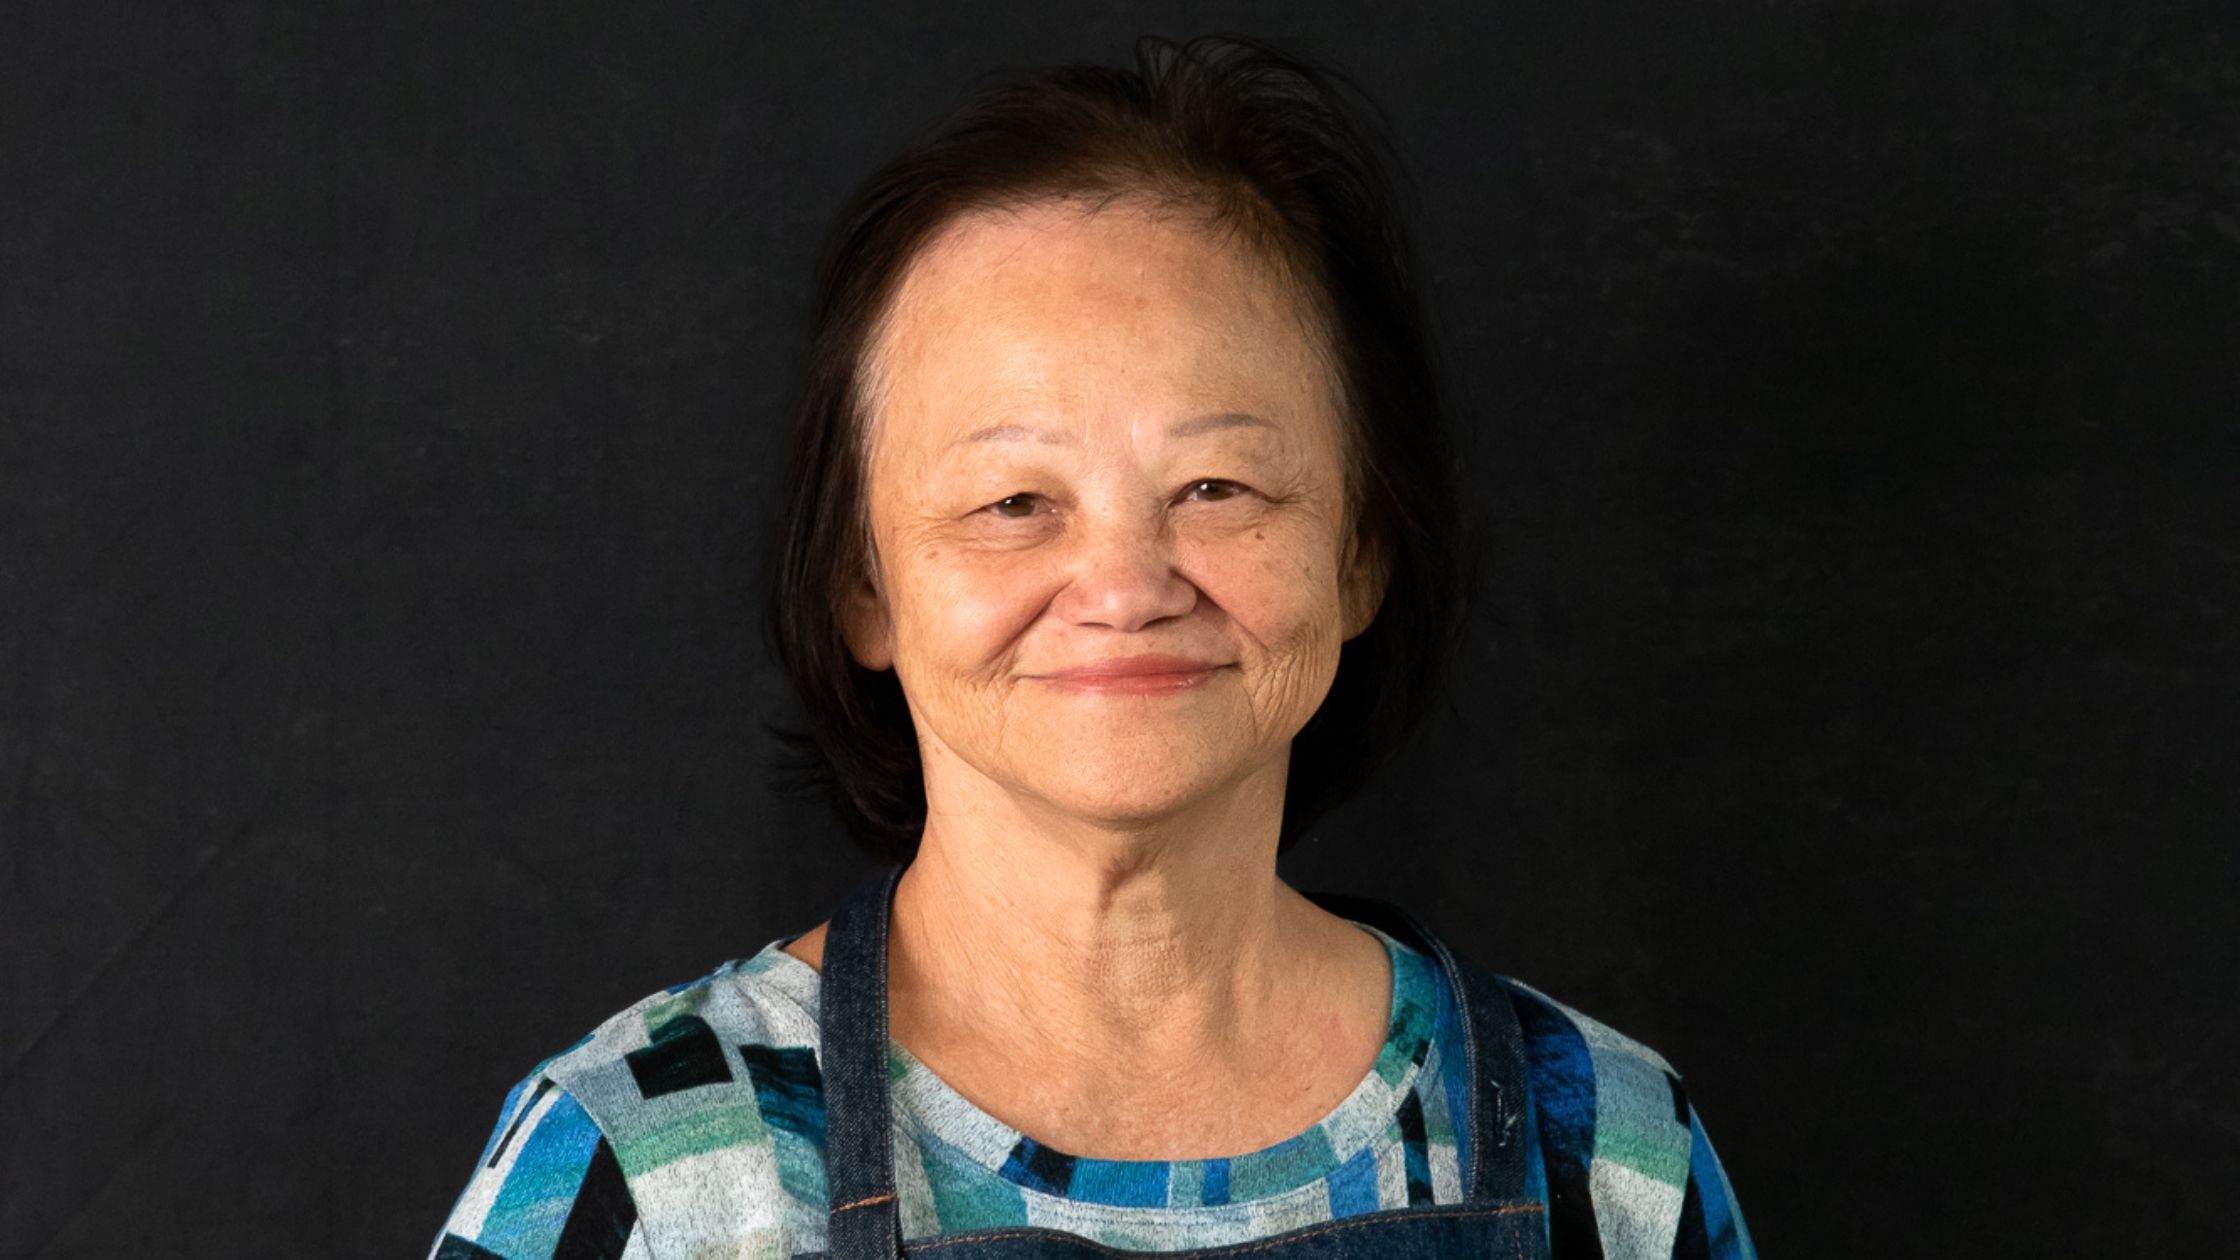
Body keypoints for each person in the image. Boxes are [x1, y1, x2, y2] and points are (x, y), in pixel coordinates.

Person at [426, 34, 1755, 1260]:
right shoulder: (650, 1165)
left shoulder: (1615, 1158)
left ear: (1362, 554)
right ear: (864, 589)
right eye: (1014, 505)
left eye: (1222, 489)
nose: (1124, 586)